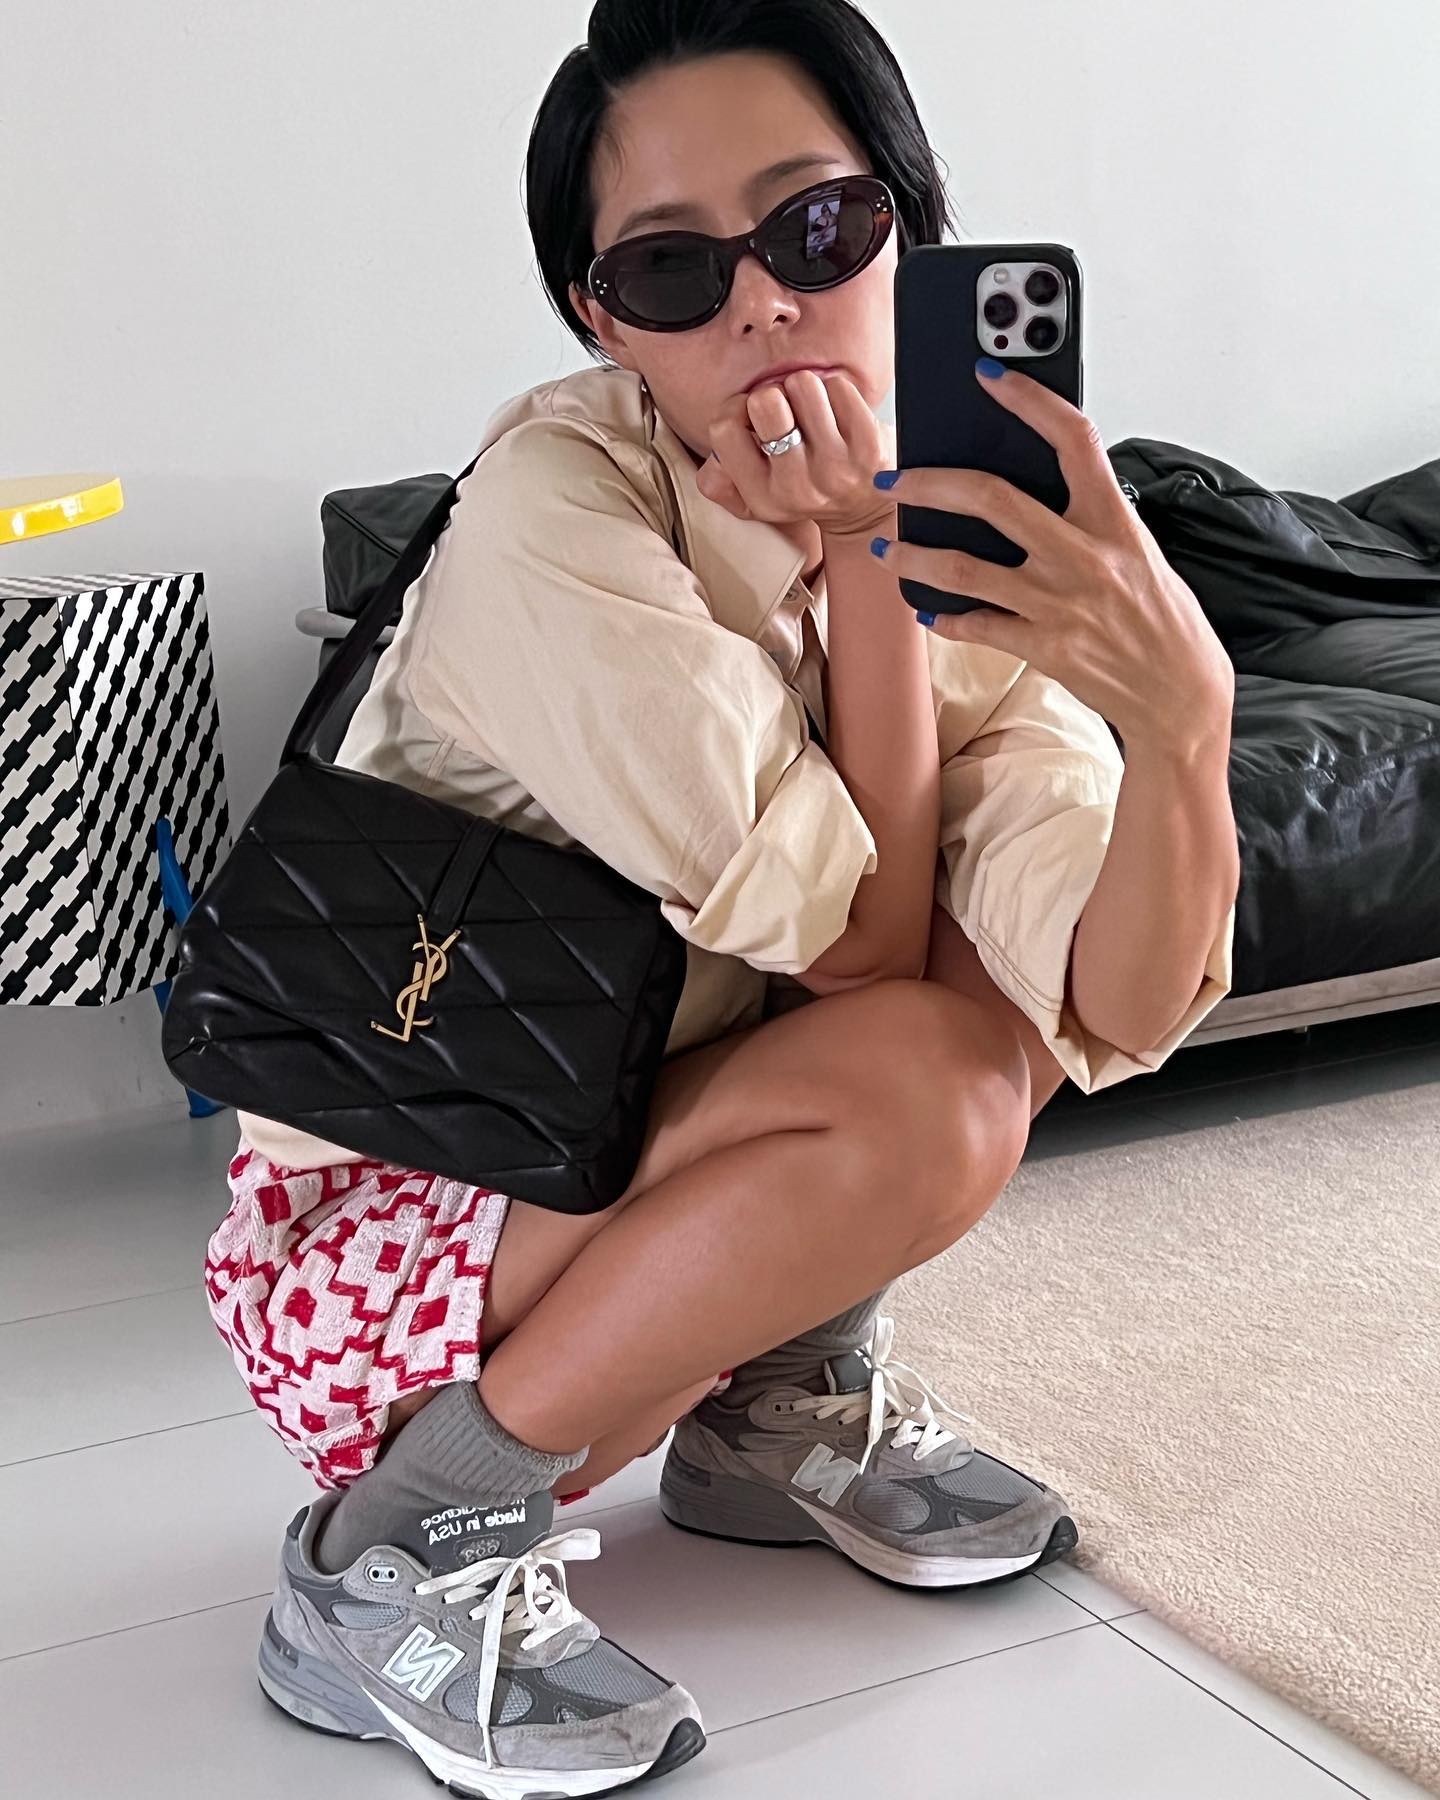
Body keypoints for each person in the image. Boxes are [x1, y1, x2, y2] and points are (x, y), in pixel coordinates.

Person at [206, 2, 1239, 1793]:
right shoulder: (557, 509)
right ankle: (392, 1551)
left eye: (819, 228)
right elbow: (859, 956)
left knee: (989, 1031)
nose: (763, 304)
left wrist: (1187, 724)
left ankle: (768, 1408)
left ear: (912, 230)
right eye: (676, 270)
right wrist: (856, 552)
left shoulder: (964, 524)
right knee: (924, 1068)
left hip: (621, 1187)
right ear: (603, 319)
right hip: (388, 1251)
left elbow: (1117, 996)